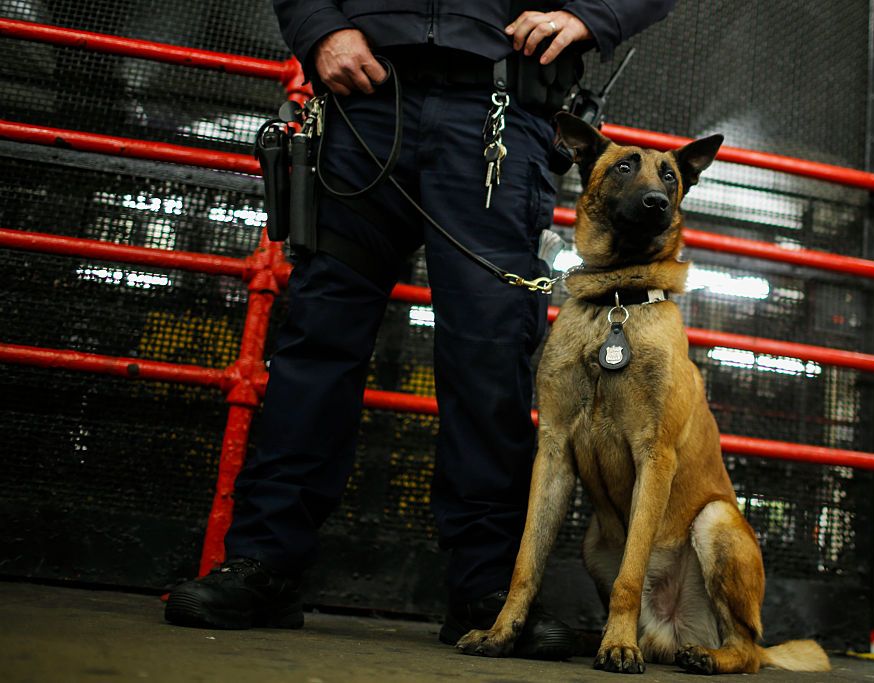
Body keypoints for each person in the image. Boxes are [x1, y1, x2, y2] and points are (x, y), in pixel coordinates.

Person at [166, 0, 675, 659]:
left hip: (496, 112)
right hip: (362, 102)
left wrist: (588, 16)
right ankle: (264, 563)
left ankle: (492, 591)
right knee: (317, 342)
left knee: (490, 359)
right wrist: (320, 30)